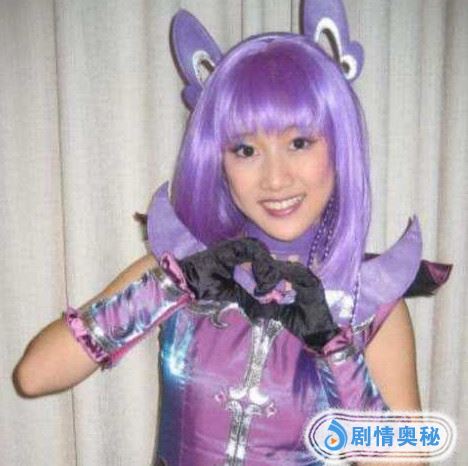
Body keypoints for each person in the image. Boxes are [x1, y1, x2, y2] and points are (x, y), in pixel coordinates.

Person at [13, 1, 450, 465]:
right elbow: (34, 376)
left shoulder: (371, 301)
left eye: (299, 142)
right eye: (245, 150)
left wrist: (335, 349)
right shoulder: (180, 266)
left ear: (339, 147)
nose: (275, 179)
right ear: (217, 161)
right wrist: (171, 285)